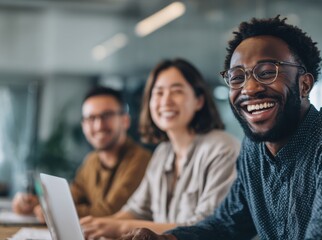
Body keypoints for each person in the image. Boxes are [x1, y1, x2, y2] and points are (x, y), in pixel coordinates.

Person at [117, 16, 322, 240]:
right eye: (237, 77)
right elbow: (226, 225)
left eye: (267, 72)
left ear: (304, 85)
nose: (249, 89)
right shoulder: (254, 150)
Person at [80, 58, 240, 239]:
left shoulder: (222, 148)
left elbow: (205, 229)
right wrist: (101, 226)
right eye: (158, 93)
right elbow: (136, 210)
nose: (166, 101)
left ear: (199, 101)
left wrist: (118, 227)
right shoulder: (163, 153)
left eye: (176, 91)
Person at [12, 86, 152, 221]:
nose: (98, 126)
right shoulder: (92, 160)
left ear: (125, 121)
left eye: (107, 116)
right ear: (83, 126)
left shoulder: (141, 160)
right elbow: (70, 198)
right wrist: (36, 203)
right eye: (91, 118)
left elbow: (111, 212)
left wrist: (53, 210)